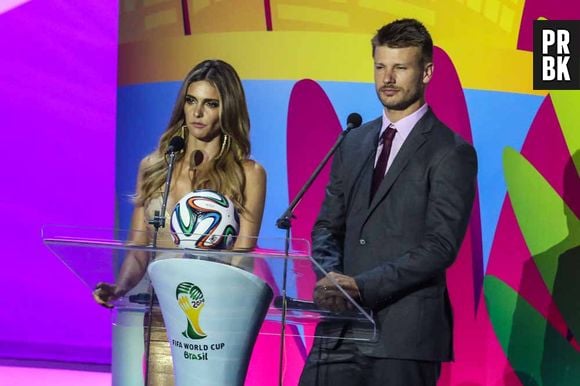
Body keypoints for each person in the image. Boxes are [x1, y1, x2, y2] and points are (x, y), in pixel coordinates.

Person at [299, 19, 478, 386]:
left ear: (426, 72)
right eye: (380, 67)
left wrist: (361, 286)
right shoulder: (353, 141)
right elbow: (326, 227)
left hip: (403, 337)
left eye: (400, 67)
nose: (388, 78)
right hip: (339, 334)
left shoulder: (451, 152)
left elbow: (440, 246)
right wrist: (330, 279)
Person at [93, 59, 266, 386]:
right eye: (191, 101)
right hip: (163, 310)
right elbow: (139, 250)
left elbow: (243, 255)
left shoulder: (249, 174)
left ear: (226, 110)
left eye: (210, 104)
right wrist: (119, 288)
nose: (197, 113)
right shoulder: (155, 166)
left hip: (216, 316)